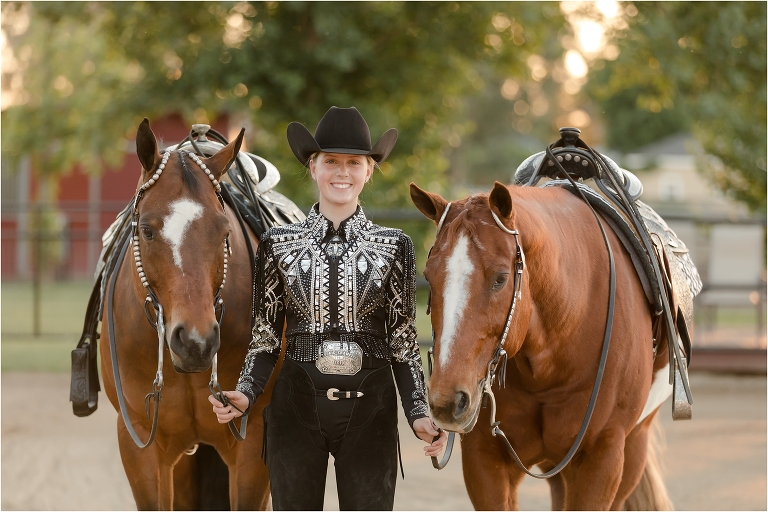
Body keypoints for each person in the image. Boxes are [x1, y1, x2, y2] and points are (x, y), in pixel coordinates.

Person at [209, 106, 447, 510]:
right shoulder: (276, 244)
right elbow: (265, 337)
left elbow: (403, 344)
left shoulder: (396, 247)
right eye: (331, 161)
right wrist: (246, 393)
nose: (343, 172)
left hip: (371, 413)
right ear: (313, 167)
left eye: (354, 162)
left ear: (369, 171)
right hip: (295, 411)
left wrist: (419, 414)